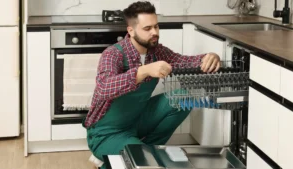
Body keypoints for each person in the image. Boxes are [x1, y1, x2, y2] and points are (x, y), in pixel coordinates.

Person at [83, 1, 221, 168]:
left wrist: (209, 57)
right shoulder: (113, 54)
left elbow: (185, 62)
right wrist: (144, 71)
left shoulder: (157, 52)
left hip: (137, 119)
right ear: (131, 31)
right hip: (106, 132)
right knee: (146, 163)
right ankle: (119, 158)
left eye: (156, 26)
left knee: (182, 97)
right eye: (147, 29)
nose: (155, 32)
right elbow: (104, 87)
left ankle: (145, 151)